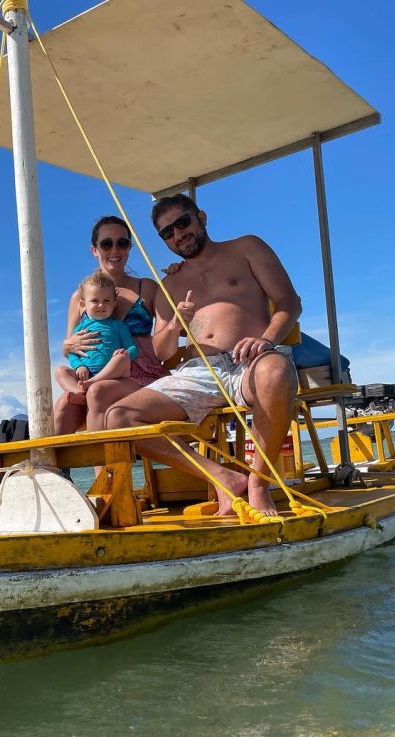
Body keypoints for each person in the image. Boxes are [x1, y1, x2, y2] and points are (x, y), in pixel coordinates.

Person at [105, 194, 302, 516]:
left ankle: (258, 483)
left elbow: (289, 303)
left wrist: (265, 340)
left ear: (201, 217)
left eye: (182, 223)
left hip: (249, 360)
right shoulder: (170, 282)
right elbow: (162, 352)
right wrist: (174, 324)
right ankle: (223, 477)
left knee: (276, 372)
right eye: (167, 233)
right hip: (197, 370)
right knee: (118, 418)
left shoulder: (246, 247)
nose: (177, 234)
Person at [53, 216, 169, 435]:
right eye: (106, 243)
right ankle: (58, 469)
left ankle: (105, 469)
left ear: (129, 248)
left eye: (122, 243)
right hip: (94, 371)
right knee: (62, 407)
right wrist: (69, 346)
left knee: (97, 392)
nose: (114, 249)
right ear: (94, 250)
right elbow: (67, 346)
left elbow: (165, 338)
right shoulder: (80, 295)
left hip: (137, 372)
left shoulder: (147, 288)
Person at [54, 270, 139, 401]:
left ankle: (90, 385)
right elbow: (72, 353)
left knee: (121, 358)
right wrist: (79, 366)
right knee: (60, 371)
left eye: (106, 300)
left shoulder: (118, 325)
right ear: (83, 304)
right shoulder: (80, 328)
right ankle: (79, 393)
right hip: (85, 374)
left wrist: (124, 354)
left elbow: (133, 348)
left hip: (110, 374)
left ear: (114, 303)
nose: (101, 305)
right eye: (94, 300)